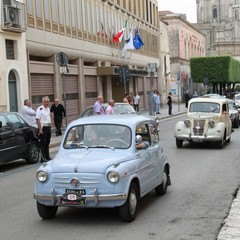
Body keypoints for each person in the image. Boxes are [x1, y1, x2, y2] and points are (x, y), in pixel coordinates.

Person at [36, 96, 52, 162]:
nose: (46, 103)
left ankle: (47, 156)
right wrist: (40, 129)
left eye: (47, 102)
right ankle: (43, 158)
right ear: (42, 102)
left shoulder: (48, 108)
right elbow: (38, 120)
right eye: (45, 102)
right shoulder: (40, 109)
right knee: (43, 143)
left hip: (48, 127)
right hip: (43, 128)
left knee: (47, 143)